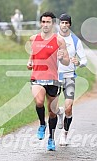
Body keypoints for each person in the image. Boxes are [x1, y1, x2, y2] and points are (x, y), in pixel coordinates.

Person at [27, 12, 70, 151]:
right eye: (43, 22)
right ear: (41, 23)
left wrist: (61, 56)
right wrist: (29, 62)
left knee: (52, 111)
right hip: (37, 77)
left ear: (53, 24)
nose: (45, 24)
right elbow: (32, 55)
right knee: (39, 102)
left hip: (53, 79)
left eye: (48, 22)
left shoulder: (59, 41)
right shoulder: (33, 39)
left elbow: (66, 60)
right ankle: (41, 124)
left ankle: (51, 138)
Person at [57, 13, 87, 146]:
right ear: (59, 24)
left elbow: (85, 60)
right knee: (53, 108)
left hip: (69, 76)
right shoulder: (53, 39)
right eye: (62, 23)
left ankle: (64, 134)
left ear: (70, 24)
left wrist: (78, 62)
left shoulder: (75, 41)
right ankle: (59, 113)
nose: (64, 25)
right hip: (54, 77)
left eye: (66, 23)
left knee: (69, 107)